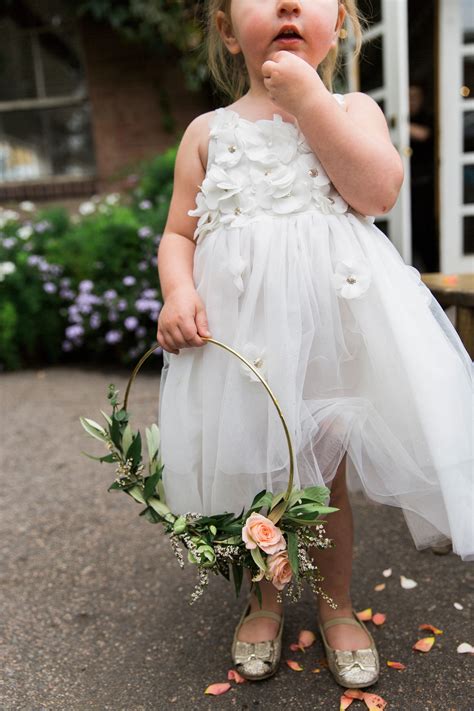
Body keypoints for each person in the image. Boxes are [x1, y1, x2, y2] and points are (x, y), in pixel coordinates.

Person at [156, 0, 473, 688]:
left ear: (342, 23)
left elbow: (377, 189)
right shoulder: (208, 133)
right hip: (240, 344)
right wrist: (179, 291)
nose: (289, 2)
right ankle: (263, 600)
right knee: (256, 475)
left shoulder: (353, 109)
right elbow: (180, 233)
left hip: (329, 336)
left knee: (323, 478)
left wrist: (308, 100)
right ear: (226, 31)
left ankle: (335, 605)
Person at [409, 83, 438, 273]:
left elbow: (424, 135)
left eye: (414, 97)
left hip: (425, 184)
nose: (411, 101)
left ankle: (431, 269)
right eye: (408, 97)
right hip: (405, 186)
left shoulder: (428, 118)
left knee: (425, 229)